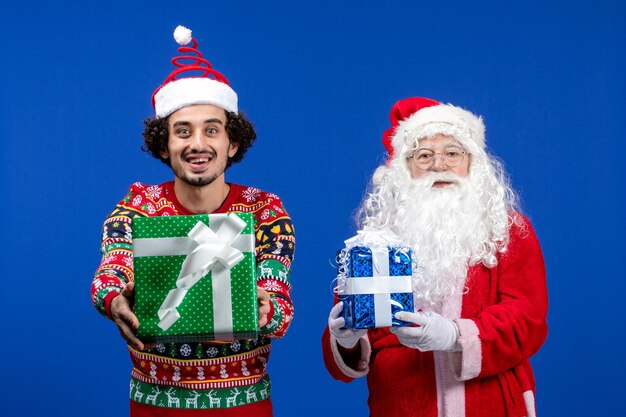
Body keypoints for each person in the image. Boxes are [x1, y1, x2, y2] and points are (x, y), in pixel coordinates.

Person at [91, 26, 295, 416]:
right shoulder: (138, 206)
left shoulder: (264, 211)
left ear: (231, 143)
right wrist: (113, 297)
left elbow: (279, 296)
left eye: (212, 131)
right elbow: (112, 266)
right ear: (164, 146)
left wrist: (268, 308)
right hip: (155, 406)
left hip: (243, 406)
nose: (197, 143)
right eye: (181, 132)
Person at [322, 97, 548, 417]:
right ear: (405, 169)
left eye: (452, 153)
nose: (439, 165)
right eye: (424, 155)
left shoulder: (508, 231)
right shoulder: (376, 242)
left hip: (491, 406)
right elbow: (349, 355)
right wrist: (345, 338)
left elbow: (528, 319)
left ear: (473, 163)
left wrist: (455, 335)